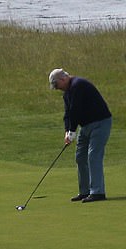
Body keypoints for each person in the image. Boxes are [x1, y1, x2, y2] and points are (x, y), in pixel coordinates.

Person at [49, 68, 112, 203]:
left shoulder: (79, 85)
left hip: (100, 123)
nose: (57, 88)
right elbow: (68, 114)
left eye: (57, 85)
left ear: (63, 79)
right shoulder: (67, 93)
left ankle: (98, 192)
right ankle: (85, 191)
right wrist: (67, 132)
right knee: (80, 157)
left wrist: (72, 131)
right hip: (86, 126)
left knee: (93, 155)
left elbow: (75, 110)